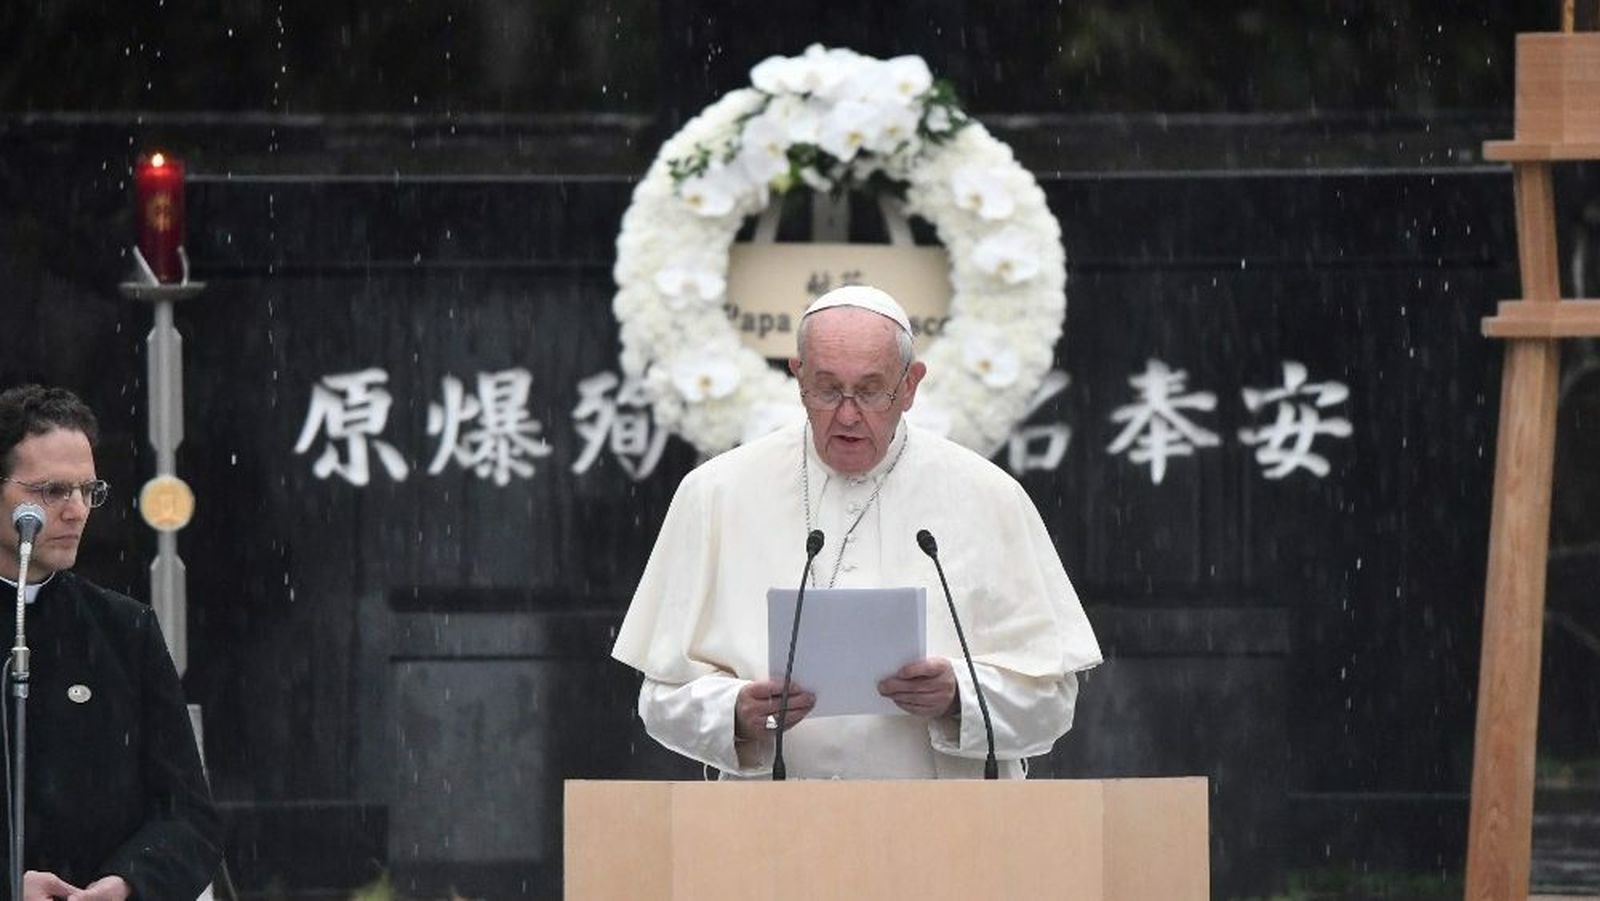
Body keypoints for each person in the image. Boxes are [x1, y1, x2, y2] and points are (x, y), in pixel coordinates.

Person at [613, 285, 1101, 779]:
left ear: (910, 385)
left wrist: (959, 696)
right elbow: (660, 699)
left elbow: (1052, 704)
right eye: (827, 389)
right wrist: (734, 713)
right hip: (767, 835)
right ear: (797, 377)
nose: (848, 414)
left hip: (945, 835)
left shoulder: (987, 495)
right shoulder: (715, 494)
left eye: (870, 391)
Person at [0, 385, 220, 900]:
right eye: (51, 491)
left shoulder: (124, 630)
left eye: (88, 491)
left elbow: (189, 817)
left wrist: (126, 883)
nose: (76, 511)